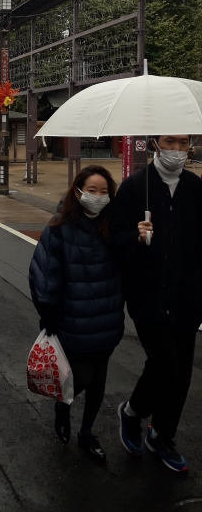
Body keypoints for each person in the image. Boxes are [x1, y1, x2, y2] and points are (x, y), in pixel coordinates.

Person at [111, 134, 202, 473]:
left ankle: (161, 435)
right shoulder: (135, 187)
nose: (176, 150)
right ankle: (132, 412)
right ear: (154, 143)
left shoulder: (195, 188)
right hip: (147, 297)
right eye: (169, 141)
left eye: (183, 142)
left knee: (181, 375)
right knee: (167, 366)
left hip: (186, 298)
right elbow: (115, 240)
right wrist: (134, 236)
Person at [29, 165, 124, 462]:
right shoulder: (60, 227)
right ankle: (63, 406)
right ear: (78, 191)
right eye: (92, 190)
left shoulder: (115, 225)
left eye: (104, 191)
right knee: (80, 377)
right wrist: (47, 309)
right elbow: (45, 272)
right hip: (73, 318)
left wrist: (142, 239)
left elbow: (131, 264)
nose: (98, 196)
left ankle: (87, 433)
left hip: (107, 316)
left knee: (99, 382)